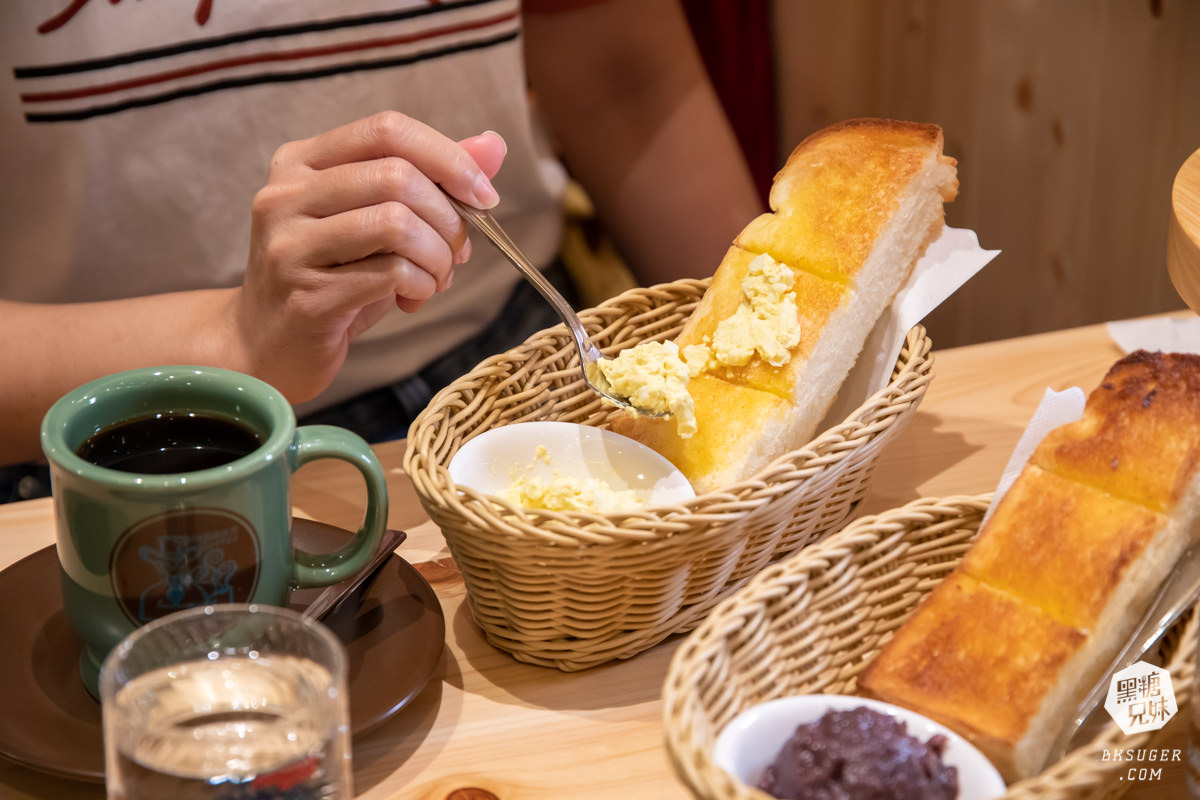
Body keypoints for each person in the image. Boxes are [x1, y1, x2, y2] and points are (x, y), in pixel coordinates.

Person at [0, 0, 762, 500]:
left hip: (526, 359)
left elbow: (621, 79)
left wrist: (765, 341)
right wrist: (232, 337)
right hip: (115, 445)